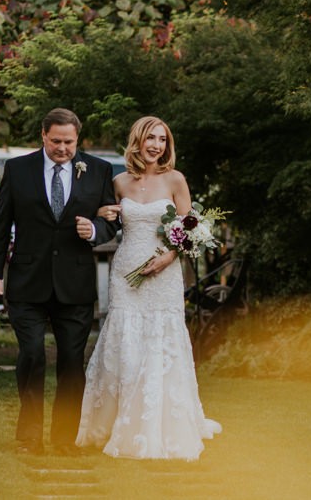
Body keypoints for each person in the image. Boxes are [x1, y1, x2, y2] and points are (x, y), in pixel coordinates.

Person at [76, 115, 222, 460]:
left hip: (162, 273)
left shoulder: (175, 180)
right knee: (124, 340)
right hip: (127, 270)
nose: (157, 145)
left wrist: (168, 258)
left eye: (162, 140)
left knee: (160, 340)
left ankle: (154, 426)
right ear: (138, 141)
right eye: (151, 138)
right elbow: (107, 220)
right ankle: (113, 422)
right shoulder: (120, 182)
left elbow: (190, 231)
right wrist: (103, 212)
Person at [0, 108, 119, 455]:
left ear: (78, 139)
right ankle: (29, 438)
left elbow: (111, 221)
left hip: (74, 283)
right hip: (27, 281)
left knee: (72, 364)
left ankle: (63, 439)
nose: (62, 148)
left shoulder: (99, 170)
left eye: (69, 142)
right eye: (56, 141)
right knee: (31, 355)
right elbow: (1, 225)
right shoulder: (18, 169)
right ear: (43, 136)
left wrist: (95, 230)